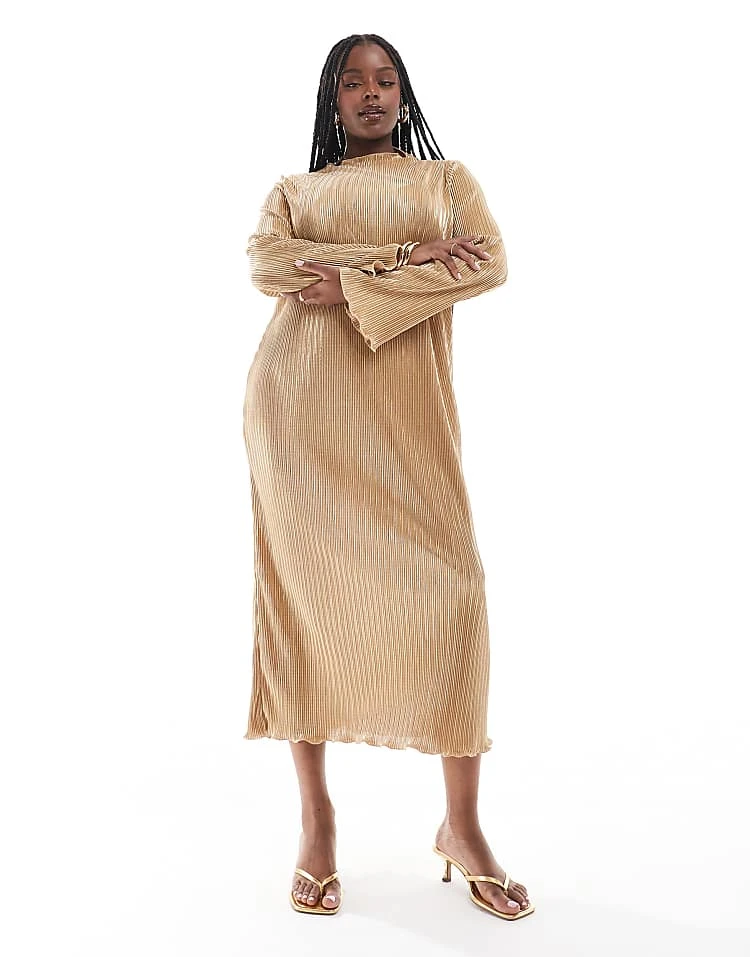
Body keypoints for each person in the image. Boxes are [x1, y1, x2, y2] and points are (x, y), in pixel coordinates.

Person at [242, 33, 534, 920]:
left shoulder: (445, 182)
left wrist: (353, 276)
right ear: (331, 100)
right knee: (304, 602)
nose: (371, 93)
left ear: (403, 94)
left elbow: (488, 261)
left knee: (456, 593)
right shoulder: (295, 191)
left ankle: (461, 824)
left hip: (406, 424)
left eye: (386, 80)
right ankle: (317, 821)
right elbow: (267, 266)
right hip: (299, 415)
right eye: (352, 82)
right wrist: (407, 260)